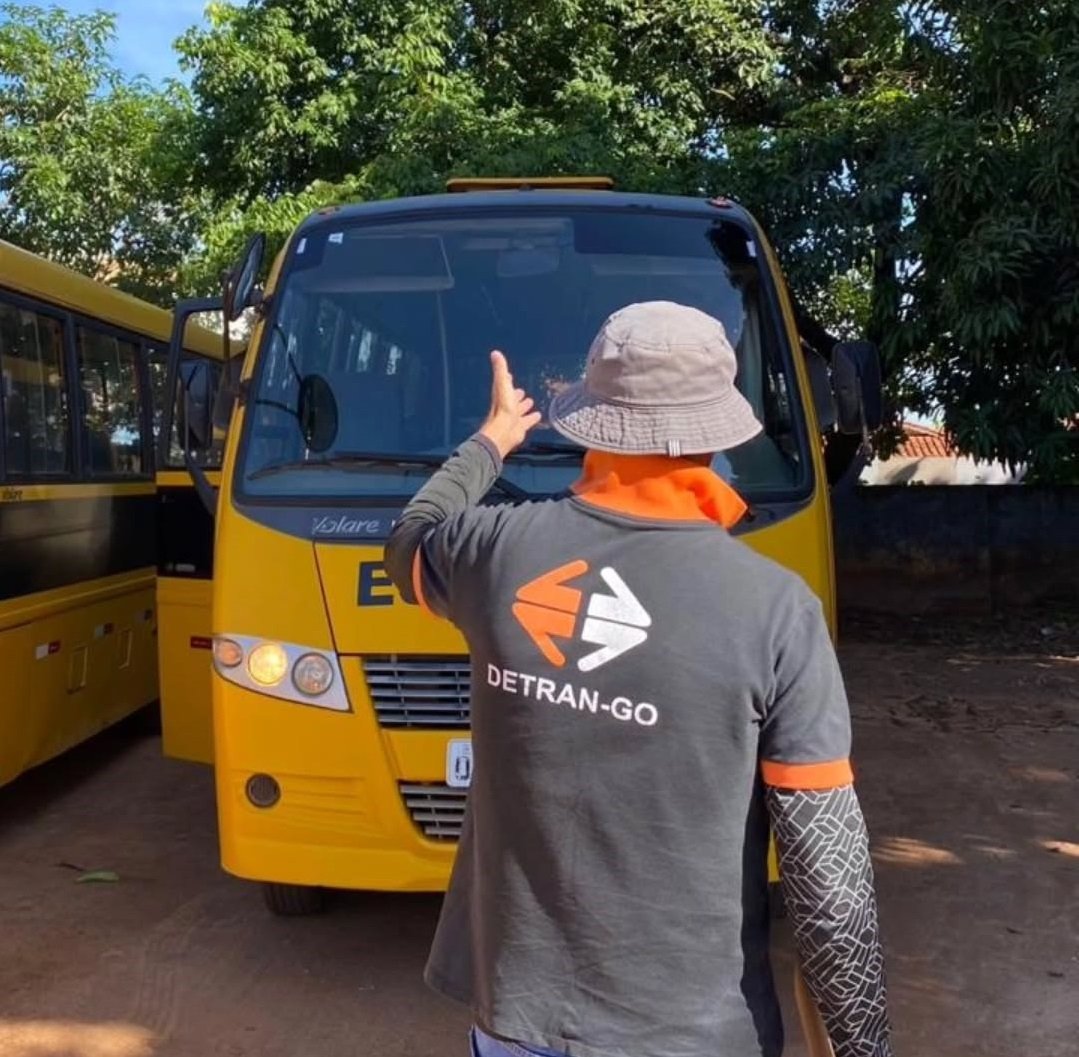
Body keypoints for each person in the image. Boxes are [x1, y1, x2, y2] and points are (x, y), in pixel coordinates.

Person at [385, 301, 892, 1057]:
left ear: (593, 421)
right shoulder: (776, 611)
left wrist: (492, 441)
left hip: (518, 1024)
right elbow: (828, 880)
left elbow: (409, 540)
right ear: (717, 432)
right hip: (693, 1036)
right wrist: (863, 1046)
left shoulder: (493, 551)